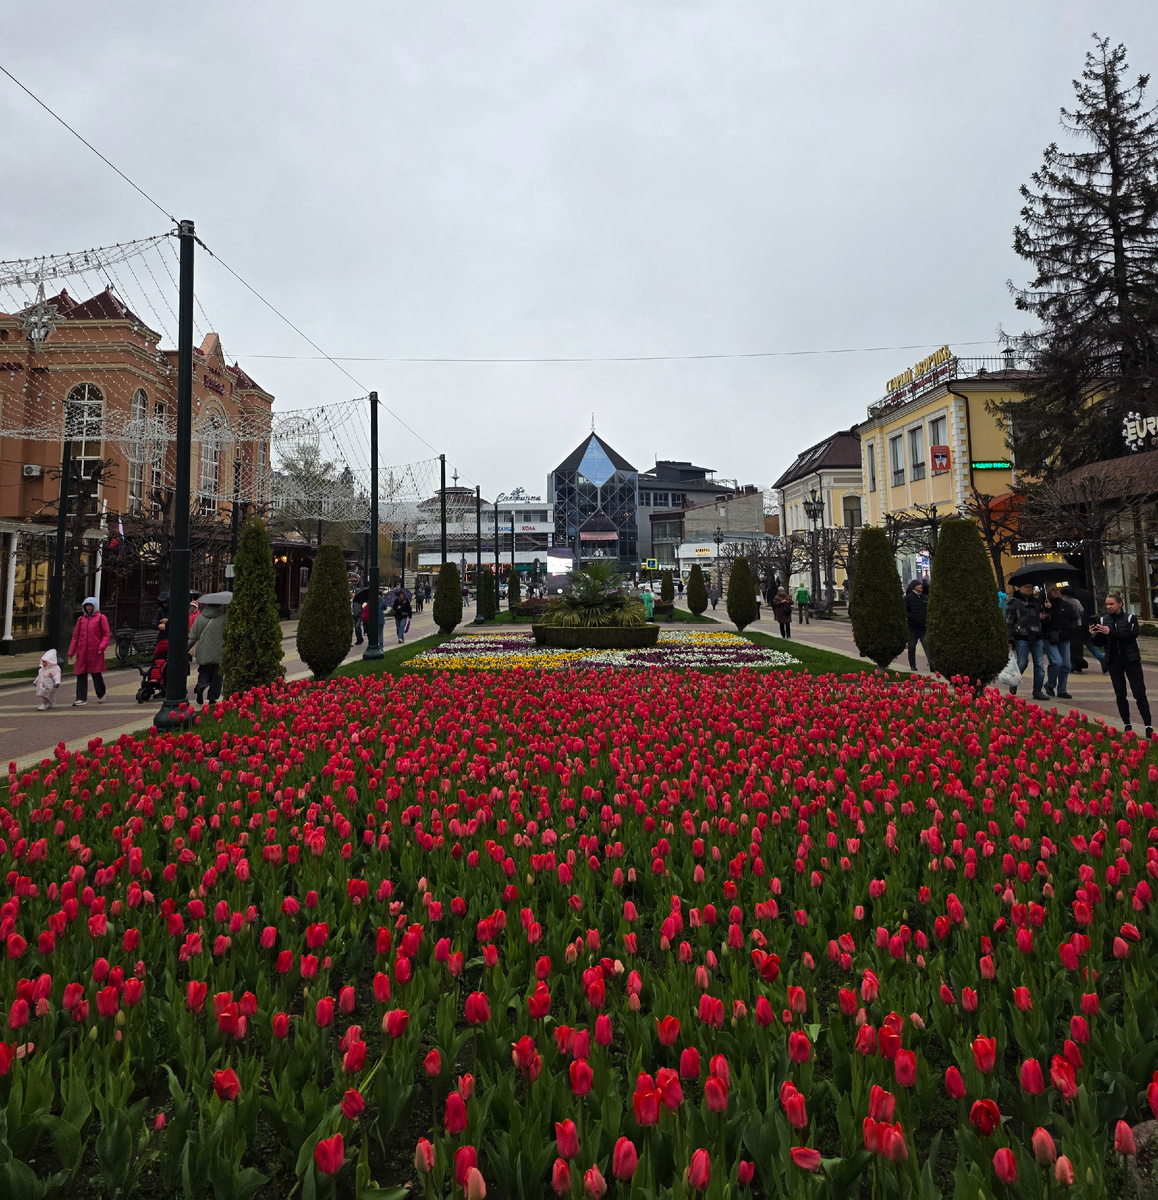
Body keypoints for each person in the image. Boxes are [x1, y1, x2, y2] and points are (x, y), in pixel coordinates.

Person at [1092, 594, 1152, 737]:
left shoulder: (1131, 619)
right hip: (1114, 660)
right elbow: (1101, 643)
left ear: (1120, 604)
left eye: (1111, 604)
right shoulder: (1103, 620)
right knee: (1120, 693)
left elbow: (1130, 636)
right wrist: (1094, 635)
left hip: (1131, 659)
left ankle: (1148, 726)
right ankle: (1127, 724)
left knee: (1139, 693)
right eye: (1107, 604)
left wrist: (1110, 632)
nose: (1109, 607)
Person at [1005, 581, 1047, 700]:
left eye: (1031, 587)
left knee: (1039, 664)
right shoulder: (1013, 602)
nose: (1030, 589)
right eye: (1026, 587)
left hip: (1036, 635)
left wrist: (1046, 611)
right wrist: (1009, 639)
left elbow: (1044, 618)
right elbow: (1009, 622)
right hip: (1021, 636)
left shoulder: (1036, 602)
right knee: (1022, 663)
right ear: (1020, 588)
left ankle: (1037, 690)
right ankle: (1014, 682)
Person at [1042, 585, 1082, 700]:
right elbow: (1042, 622)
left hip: (1064, 638)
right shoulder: (1044, 605)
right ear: (1048, 593)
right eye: (1053, 590)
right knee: (1056, 662)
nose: (1056, 592)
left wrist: (1070, 629)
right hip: (1050, 638)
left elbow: (1074, 619)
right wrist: (1047, 610)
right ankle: (1050, 684)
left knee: (1066, 665)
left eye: (1057, 590)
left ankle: (1062, 689)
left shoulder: (1065, 605)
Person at [69, 596, 110, 705]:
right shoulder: (81, 620)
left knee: (96, 673)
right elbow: (75, 636)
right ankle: (81, 698)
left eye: (91, 605)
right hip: (82, 651)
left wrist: (101, 646)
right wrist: (71, 651)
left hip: (95, 651)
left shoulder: (101, 618)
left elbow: (106, 634)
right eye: (87, 605)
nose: (89, 608)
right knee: (81, 674)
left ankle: (101, 693)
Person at [188, 602, 227, 705]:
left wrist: (187, 648)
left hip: (203, 651)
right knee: (217, 675)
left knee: (204, 671)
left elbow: (193, 636)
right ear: (219, 606)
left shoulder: (200, 618)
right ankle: (212, 697)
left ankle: (201, 685)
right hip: (219, 652)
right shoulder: (224, 619)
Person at [905, 579, 929, 673]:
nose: (921, 586)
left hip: (923, 627)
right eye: (918, 585)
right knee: (911, 646)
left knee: (927, 646)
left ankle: (932, 666)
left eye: (921, 584)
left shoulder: (924, 597)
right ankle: (913, 665)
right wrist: (912, 618)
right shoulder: (908, 598)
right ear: (914, 587)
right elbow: (905, 610)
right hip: (913, 627)